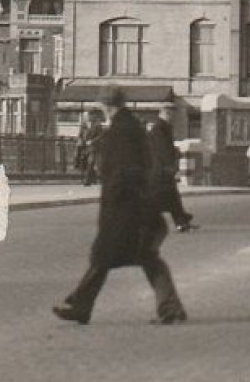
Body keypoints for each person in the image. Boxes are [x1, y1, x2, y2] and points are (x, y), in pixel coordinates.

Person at [53, 88, 187, 325]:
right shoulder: (132, 127)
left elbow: (123, 172)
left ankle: (81, 306)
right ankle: (170, 308)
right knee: (139, 258)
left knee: (105, 258)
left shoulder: (119, 131)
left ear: (106, 105)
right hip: (138, 208)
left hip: (126, 210)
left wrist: (115, 200)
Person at [146, 103, 197, 232]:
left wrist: (176, 152)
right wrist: (173, 168)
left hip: (162, 170)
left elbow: (167, 148)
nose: (173, 116)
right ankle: (180, 220)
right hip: (160, 170)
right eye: (171, 113)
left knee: (171, 197)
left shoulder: (164, 127)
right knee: (162, 199)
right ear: (165, 112)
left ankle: (181, 221)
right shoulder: (159, 128)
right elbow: (163, 151)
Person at [75, 109, 105, 186]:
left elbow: (100, 136)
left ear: (91, 116)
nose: (86, 118)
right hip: (85, 147)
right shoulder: (83, 125)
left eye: (87, 116)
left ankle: (87, 181)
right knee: (88, 163)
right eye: (85, 117)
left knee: (91, 162)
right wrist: (79, 140)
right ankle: (94, 179)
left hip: (95, 147)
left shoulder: (97, 124)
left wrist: (92, 141)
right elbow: (80, 134)